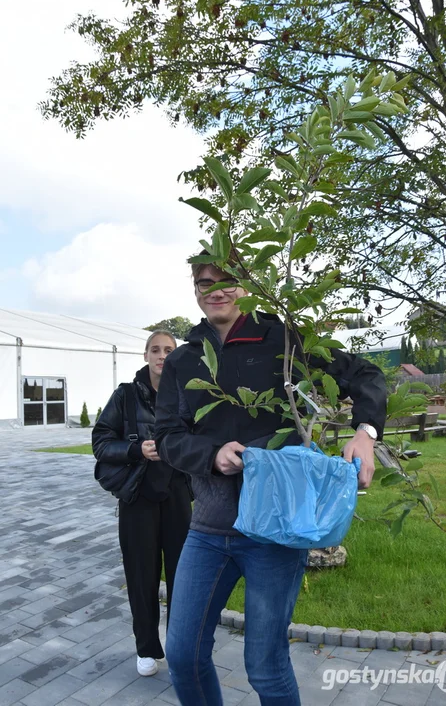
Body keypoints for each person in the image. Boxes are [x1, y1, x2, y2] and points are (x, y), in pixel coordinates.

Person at [154, 260, 387, 705]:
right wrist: (211, 455)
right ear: (195, 290)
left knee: (265, 665)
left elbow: (364, 375)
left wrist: (365, 432)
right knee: (183, 655)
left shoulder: (282, 340)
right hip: (209, 528)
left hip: (277, 531)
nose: (215, 291)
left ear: (245, 286)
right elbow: (167, 437)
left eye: (226, 281)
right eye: (205, 283)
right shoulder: (184, 360)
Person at [92, 330, 191, 677]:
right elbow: (101, 442)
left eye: (169, 350)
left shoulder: (187, 393)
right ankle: (147, 649)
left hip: (179, 496)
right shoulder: (126, 395)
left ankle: (179, 647)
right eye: (156, 350)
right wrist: (137, 450)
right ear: (145, 354)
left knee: (184, 577)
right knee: (141, 576)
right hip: (137, 499)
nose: (162, 356)